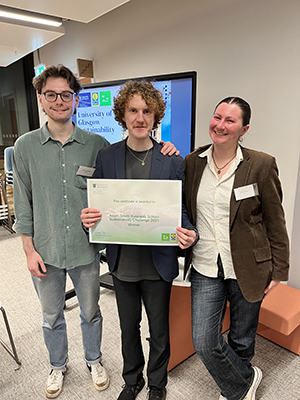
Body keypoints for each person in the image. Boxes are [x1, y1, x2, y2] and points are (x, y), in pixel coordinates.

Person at [12, 65, 177, 399]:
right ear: (41, 100)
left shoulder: (105, 147)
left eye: (66, 94)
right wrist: (29, 250)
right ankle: (67, 367)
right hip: (58, 250)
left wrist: (168, 149)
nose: (59, 101)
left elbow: (162, 200)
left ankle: (110, 366)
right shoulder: (30, 147)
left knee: (101, 315)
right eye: (51, 95)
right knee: (55, 317)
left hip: (99, 253)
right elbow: (25, 204)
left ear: (76, 99)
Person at [81, 80, 197, 400]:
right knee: (128, 328)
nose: (140, 117)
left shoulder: (172, 159)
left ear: (156, 115)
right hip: (122, 263)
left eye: (147, 111)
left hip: (158, 262)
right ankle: (133, 380)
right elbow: (99, 207)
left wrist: (188, 233)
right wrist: (89, 219)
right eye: (133, 110)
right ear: (123, 114)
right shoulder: (107, 156)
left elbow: (181, 210)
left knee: (159, 331)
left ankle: (157, 384)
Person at [184, 97, 290, 400]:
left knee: (242, 337)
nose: (220, 125)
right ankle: (245, 380)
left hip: (249, 264)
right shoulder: (193, 162)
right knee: (204, 341)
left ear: (244, 128)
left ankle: (234, 391)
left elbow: (275, 220)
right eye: (217, 117)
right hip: (205, 264)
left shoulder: (261, 164)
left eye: (230, 120)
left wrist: (279, 270)